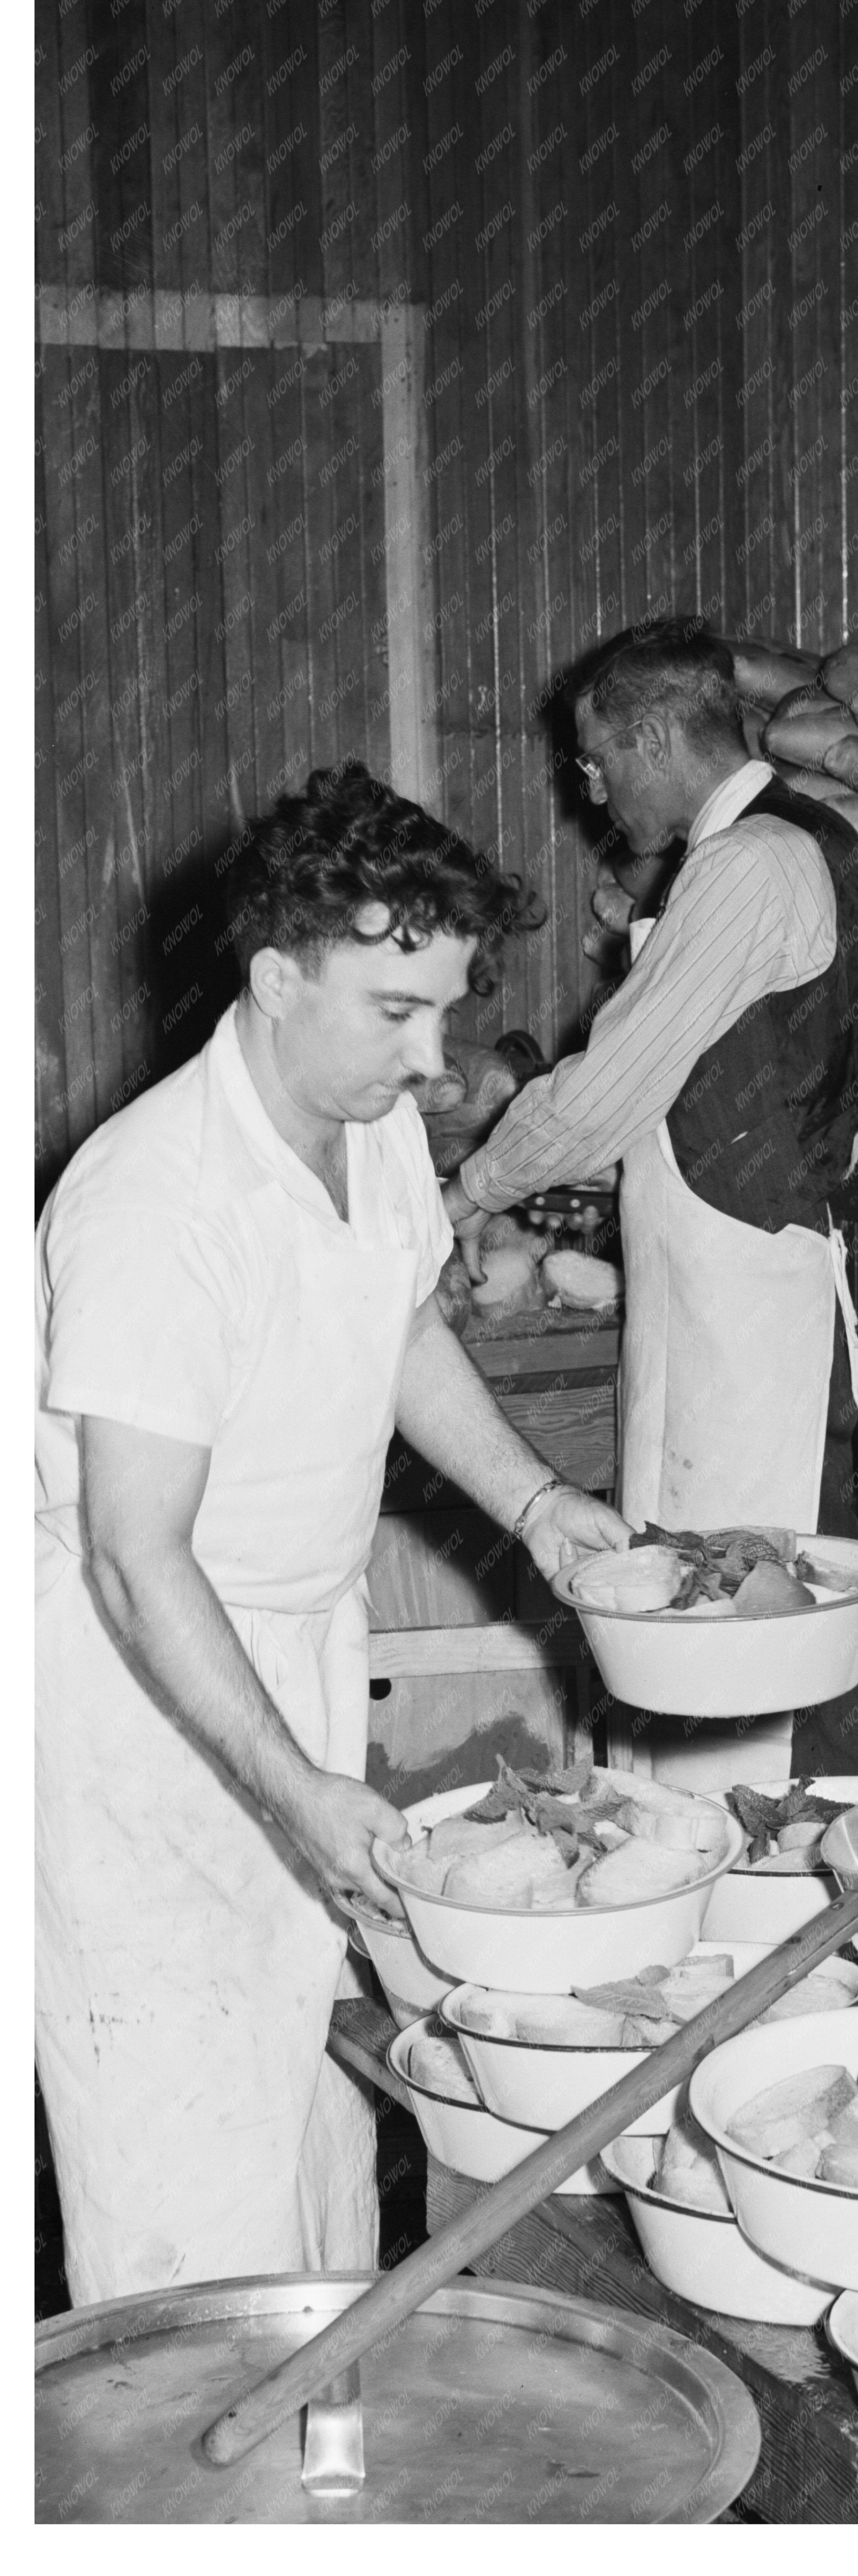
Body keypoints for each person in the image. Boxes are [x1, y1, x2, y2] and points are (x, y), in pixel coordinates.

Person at [35, 767, 631, 2306]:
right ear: (276, 979)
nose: (436, 1060)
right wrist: (295, 1785)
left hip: (290, 1647)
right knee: (189, 2185)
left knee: (312, 2126)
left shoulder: (354, 1122)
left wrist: (538, 1502)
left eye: (445, 1009)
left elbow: (402, 1319)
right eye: (395, 1010)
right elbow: (131, 1554)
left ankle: (321, 2489)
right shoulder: (157, 1199)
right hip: (133, 1705)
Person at [443, 619, 858, 1792]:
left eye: (600, 758)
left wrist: (468, 1188)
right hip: (724, 1292)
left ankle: (745, 1913)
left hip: (751, 1322)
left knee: (742, 1649)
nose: (589, 786)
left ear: (659, 735)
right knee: (701, 1628)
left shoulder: (749, 863)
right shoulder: (804, 841)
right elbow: (717, 1091)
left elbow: (608, 1089)